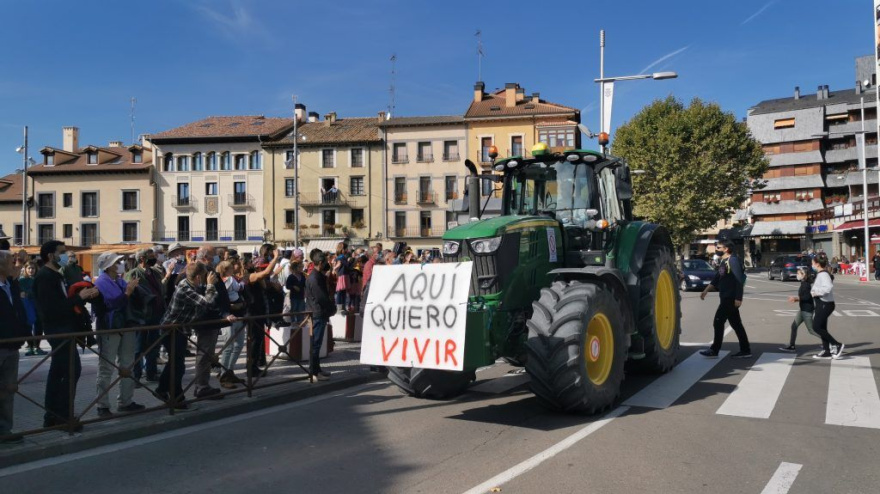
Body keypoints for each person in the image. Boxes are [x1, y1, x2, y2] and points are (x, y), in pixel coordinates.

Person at [33, 240, 99, 428]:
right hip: (58, 331)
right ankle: (62, 416)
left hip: (65, 330)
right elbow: (51, 309)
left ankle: (54, 416)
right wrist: (80, 298)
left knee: (60, 373)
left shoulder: (56, 275)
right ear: (50, 255)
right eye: (61, 252)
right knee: (69, 372)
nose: (64, 255)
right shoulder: (45, 277)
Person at [157, 263, 229, 408]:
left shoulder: (189, 285)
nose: (205, 279)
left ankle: (162, 390)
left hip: (180, 330)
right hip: (171, 330)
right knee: (177, 366)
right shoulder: (185, 288)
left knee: (175, 364)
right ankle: (177, 399)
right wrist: (210, 285)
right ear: (197, 277)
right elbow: (207, 303)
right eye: (203, 277)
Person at [92, 252, 145, 417]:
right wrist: (128, 292)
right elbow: (113, 303)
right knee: (106, 367)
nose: (121, 263)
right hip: (110, 328)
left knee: (127, 364)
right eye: (118, 261)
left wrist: (132, 290)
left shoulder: (120, 280)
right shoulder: (102, 281)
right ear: (109, 266)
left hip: (126, 326)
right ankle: (102, 405)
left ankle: (125, 401)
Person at [699, 240, 751, 359]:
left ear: (726, 249)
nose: (716, 249)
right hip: (725, 297)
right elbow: (717, 278)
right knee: (736, 324)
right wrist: (706, 290)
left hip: (730, 298)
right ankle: (745, 350)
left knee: (718, 322)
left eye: (719, 247)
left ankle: (714, 350)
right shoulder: (724, 261)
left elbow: (738, 279)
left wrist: (738, 298)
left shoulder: (733, 260)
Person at [0, 251, 32, 443]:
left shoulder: (11, 284)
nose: (14, 264)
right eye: (10, 261)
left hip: (12, 345)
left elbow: (18, 309)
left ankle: (5, 430)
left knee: (9, 389)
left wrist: (24, 331)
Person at [192, 246, 232, 399]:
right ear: (205, 257)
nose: (217, 258)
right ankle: (201, 387)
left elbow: (221, 295)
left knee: (208, 354)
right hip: (205, 320)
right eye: (214, 255)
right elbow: (203, 298)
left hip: (214, 319)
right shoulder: (199, 273)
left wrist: (226, 312)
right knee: (203, 354)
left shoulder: (210, 271)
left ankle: (204, 385)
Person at [124, 248, 166, 383]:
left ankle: (151, 373)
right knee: (138, 348)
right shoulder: (133, 273)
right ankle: (136, 376)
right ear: (142, 259)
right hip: (141, 316)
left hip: (156, 314)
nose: (154, 258)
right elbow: (130, 295)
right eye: (151, 256)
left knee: (154, 346)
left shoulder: (154, 272)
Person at [305, 254, 335, 381]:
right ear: (321, 263)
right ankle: (314, 372)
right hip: (317, 313)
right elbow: (321, 297)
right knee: (316, 344)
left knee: (317, 343)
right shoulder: (314, 278)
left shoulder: (316, 276)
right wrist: (331, 308)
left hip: (317, 312)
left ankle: (317, 370)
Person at [217, 260, 247, 389]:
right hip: (229, 316)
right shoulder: (228, 279)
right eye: (230, 268)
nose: (233, 270)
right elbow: (239, 287)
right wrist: (244, 281)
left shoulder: (227, 279)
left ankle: (229, 371)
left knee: (239, 344)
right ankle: (224, 375)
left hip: (238, 314)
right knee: (228, 347)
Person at [811, 253, 844, 359]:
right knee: (822, 327)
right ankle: (826, 350)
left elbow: (828, 287)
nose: (812, 265)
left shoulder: (823, 274)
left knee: (816, 327)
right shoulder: (822, 273)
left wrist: (815, 292)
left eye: (812, 263)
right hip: (822, 303)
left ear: (817, 264)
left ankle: (837, 344)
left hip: (825, 304)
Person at [779, 267, 818, 353]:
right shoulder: (803, 283)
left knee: (811, 330)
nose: (797, 275)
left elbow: (807, 297)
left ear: (804, 275)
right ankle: (792, 346)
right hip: (802, 310)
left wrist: (796, 299)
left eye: (798, 273)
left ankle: (829, 342)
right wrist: (796, 299)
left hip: (807, 311)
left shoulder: (806, 285)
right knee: (794, 326)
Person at [19, 262, 46, 356]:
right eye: (29, 268)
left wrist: (28, 294)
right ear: (25, 269)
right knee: (27, 327)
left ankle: (37, 346)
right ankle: (30, 346)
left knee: (39, 327)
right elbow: (20, 293)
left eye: (33, 268)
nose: (31, 270)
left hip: (38, 305)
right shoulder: (21, 281)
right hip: (27, 306)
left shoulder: (39, 280)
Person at [285, 261, 306, 327]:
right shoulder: (291, 277)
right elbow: (287, 286)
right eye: (299, 267)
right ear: (295, 268)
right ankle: (293, 321)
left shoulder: (302, 276)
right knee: (294, 309)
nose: (301, 269)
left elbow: (305, 285)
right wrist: (293, 287)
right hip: (294, 296)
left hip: (301, 296)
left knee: (301, 309)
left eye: (302, 267)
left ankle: (300, 321)